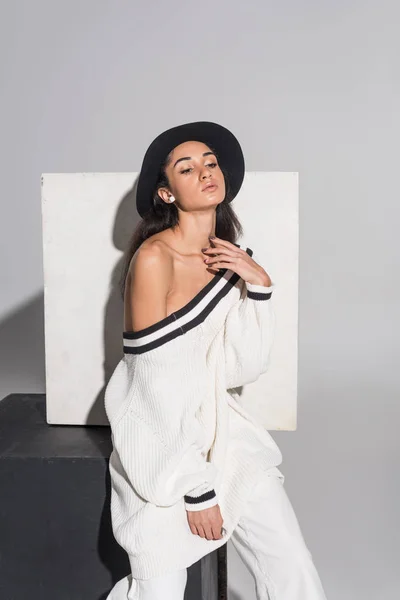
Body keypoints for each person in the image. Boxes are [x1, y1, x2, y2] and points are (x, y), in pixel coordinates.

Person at [104, 121, 328, 599]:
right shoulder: (153, 259)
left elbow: (239, 369)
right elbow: (153, 390)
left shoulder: (228, 260)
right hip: (162, 451)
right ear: (167, 193)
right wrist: (195, 487)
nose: (206, 172)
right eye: (187, 168)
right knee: (159, 588)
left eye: (210, 162)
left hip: (225, 434)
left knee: (291, 565)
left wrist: (259, 288)